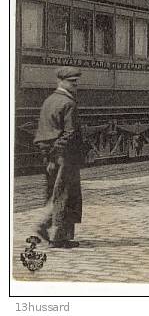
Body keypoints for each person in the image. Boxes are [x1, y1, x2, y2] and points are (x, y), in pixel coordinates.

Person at [33, 66, 86, 248]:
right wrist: (58, 152)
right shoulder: (69, 103)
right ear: (61, 81)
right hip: (64, 155)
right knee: (65, 193)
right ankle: (55, 235)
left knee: (54, 191)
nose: (75, 85)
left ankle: (54, 231)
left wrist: (48, 154)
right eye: (72, 82)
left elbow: (41, 131)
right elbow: (69, 133)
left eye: (76, 81)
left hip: (48, 153)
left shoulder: (49, 100)